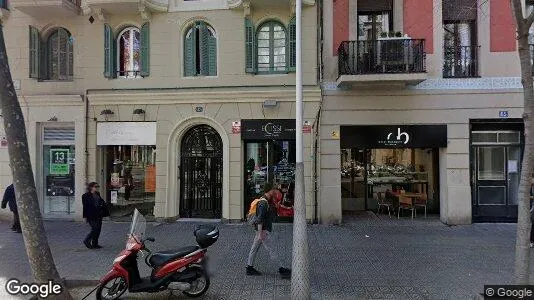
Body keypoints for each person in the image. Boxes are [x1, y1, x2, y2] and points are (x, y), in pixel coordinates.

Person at [246, 188, 291, 278]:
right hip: (263, 231)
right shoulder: (263, 203)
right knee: (272, 250)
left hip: (260, 230)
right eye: (277, 196)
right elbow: (260, 219)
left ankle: (249, 268)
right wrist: (260, 234)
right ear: (273, 193)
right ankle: (282, 269)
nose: (278, 198)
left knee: (254, 249)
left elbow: (273, 208)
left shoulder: (265, 200)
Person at [82, 182, 109, 249]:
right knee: (95, 228)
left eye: (97, 187)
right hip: (91, 215)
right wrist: (85, 217)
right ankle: (86, 240)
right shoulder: (85, 196)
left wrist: (103, 206)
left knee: (98, 230)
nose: (97, 188)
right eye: (95, 187)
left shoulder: (97, 194)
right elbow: (85, 207)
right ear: (91, 187)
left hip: (99, 214)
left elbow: (101, 201)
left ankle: (95, 244)